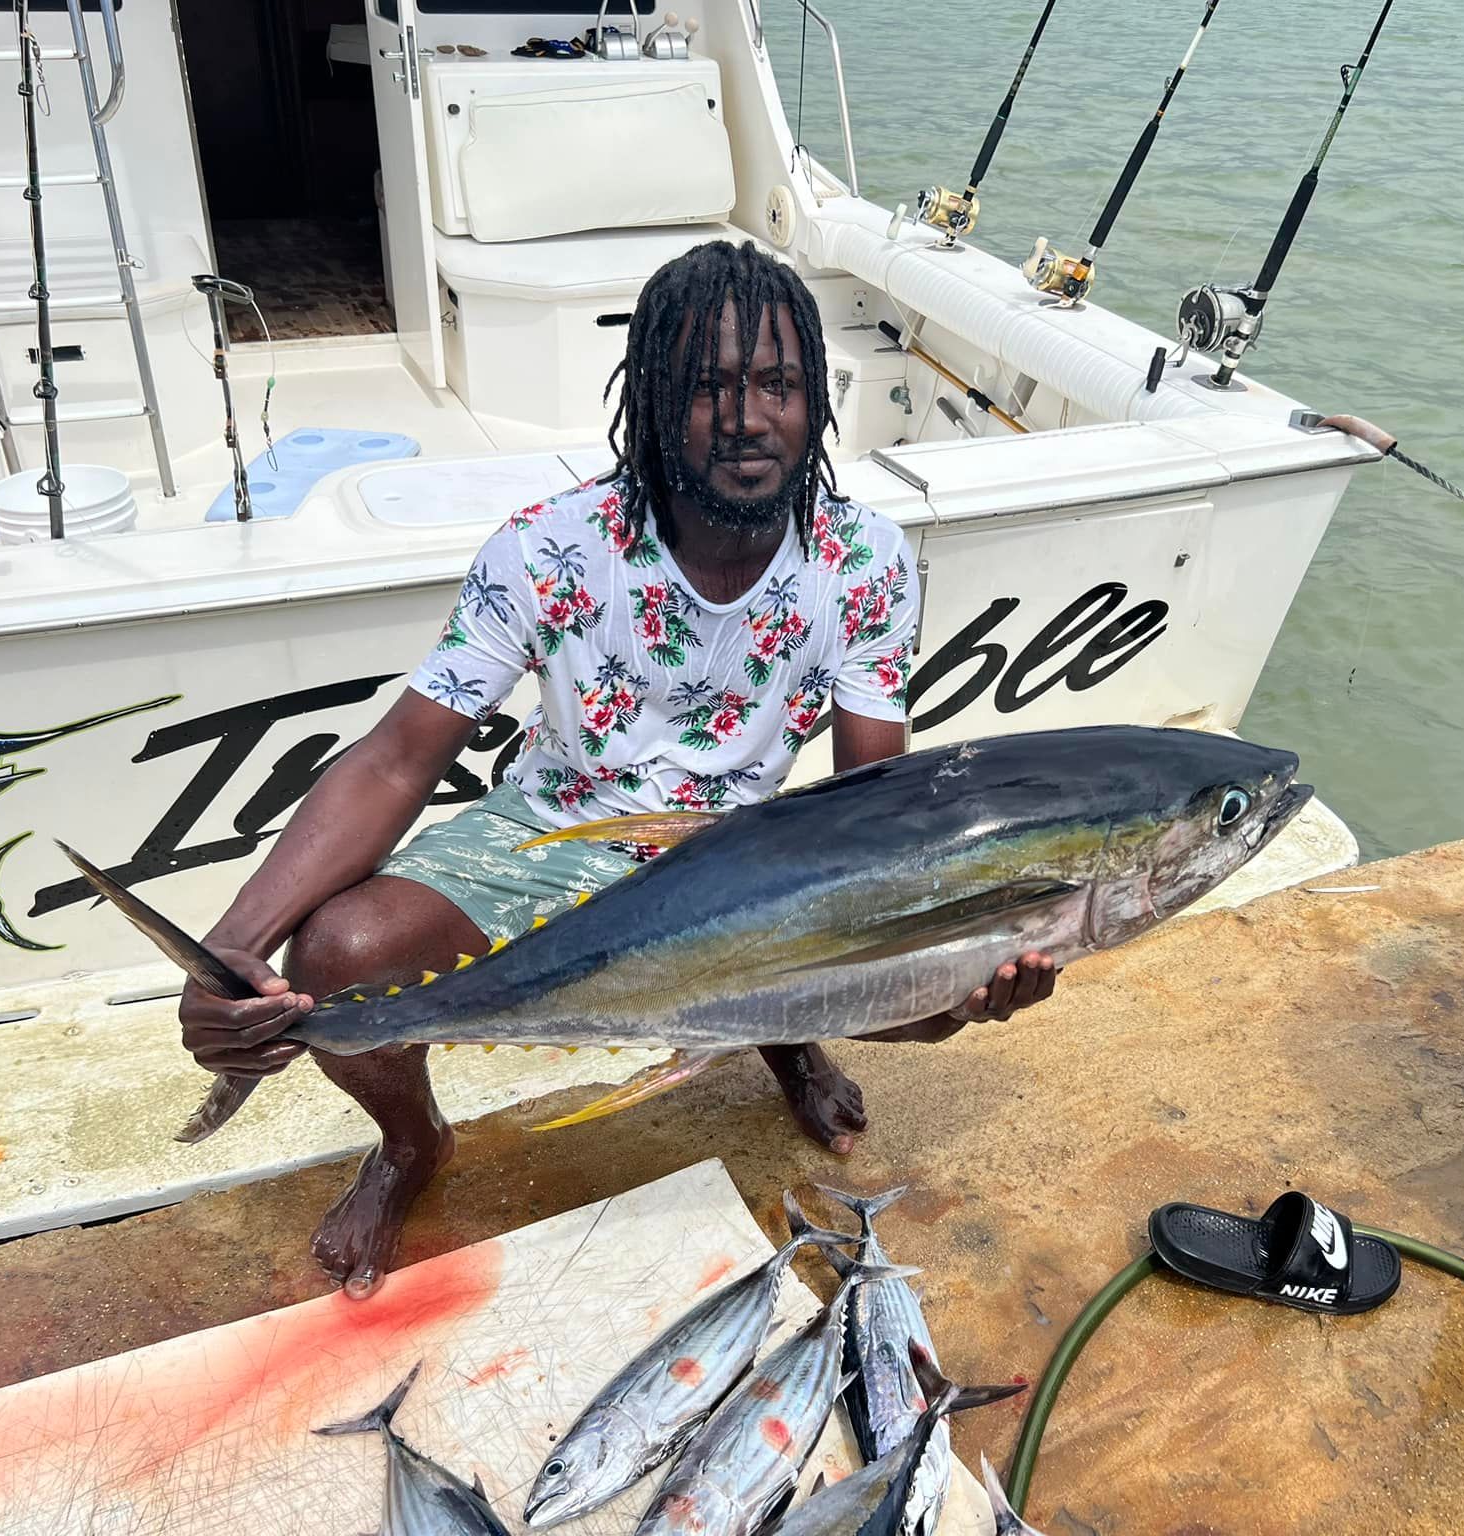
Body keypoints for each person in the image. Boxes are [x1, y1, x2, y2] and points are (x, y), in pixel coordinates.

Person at [178, 240, 1060, 1297]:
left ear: (816, 403)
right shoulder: (552, 545)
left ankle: (786, 1040)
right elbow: (398, 756)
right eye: (706, 389)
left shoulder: (862, 558)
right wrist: (231, 947)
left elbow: (870, 813)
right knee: (338, 951)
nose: (746, 418)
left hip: (734, 860)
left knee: (918, 990)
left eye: (777, 385)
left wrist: (955, 970)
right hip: (548, 833)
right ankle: (412, 1144)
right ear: (649, 402)